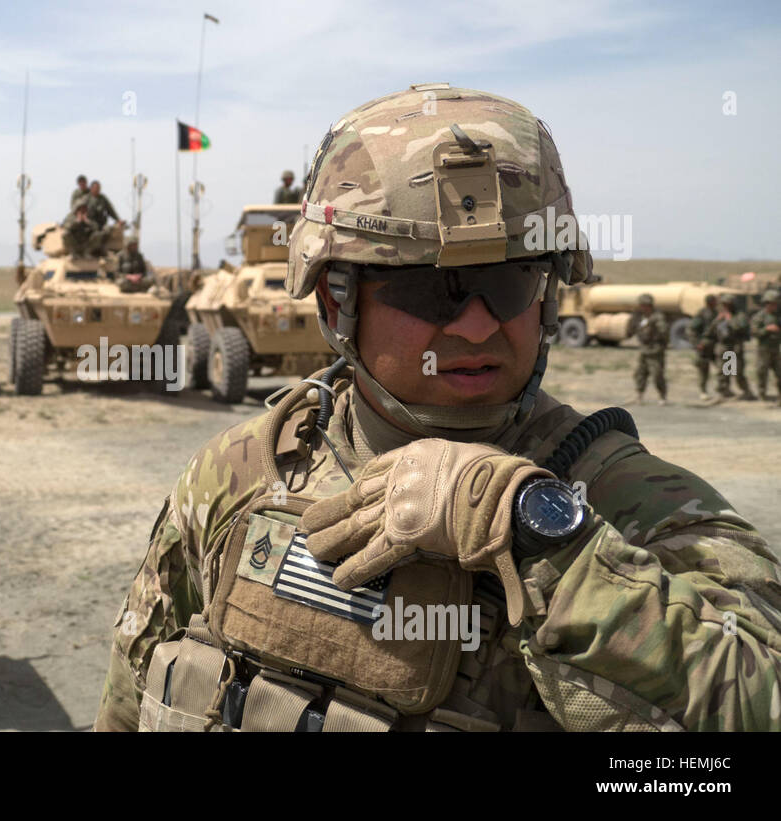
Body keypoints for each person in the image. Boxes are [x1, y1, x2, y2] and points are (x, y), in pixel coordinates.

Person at [95, 85, 781, 733]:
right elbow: (131, 692)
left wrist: (543, 538)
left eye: (510, 283)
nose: (480, 327)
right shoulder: (240, 474)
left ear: (546, 296)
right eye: (435, 291)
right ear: (337, 301)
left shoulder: (634, 504)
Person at [625, 293, 668, 405]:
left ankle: (662, 396)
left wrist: (660, 343)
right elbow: (631, 330)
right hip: (644, 349)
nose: (641, 307)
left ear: (648, 305)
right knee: (640, 373)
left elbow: (664, 332)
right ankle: (639, 395)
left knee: (657, 374)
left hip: (655, 350)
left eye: (643, 305)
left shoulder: (657, 317)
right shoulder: (640, 316)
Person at [709, 299, 756, 402]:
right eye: (724, 305)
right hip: (724, 347)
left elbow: (742, 328)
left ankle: (746, 392)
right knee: (724, 371)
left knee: (737, 371)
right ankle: (724, 391)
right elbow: (711, 330)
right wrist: (718, 320)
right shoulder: (720, 316)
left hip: (735, 347)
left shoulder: (739, 316)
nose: (726, 307)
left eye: (727, 305)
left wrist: (729, 320)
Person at [751, 289, 781, 404]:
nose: (776, 305)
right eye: (773, 303)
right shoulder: (759, 316)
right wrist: (766, 330)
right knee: (762, 372)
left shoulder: (778, 316)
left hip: (776, 349)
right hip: (764, 350)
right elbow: (754, 332)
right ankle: (762, 394)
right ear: (767, 303)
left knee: (779, 374)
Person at [689, 293, 719, 401]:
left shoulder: (717, 313)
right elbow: (692, 330)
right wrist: (697, 344)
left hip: (716, 346)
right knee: (703, 370)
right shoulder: (702, 314)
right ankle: (703, 391)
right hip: (704, 346)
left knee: (725, 368)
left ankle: (723, 390)